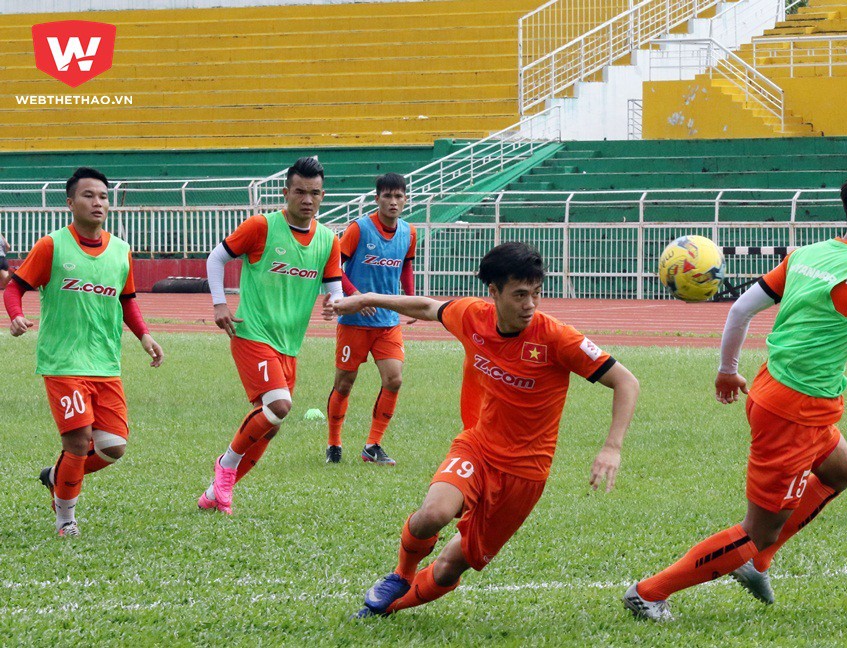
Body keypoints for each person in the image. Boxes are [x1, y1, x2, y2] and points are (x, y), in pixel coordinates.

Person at [624, 173, 847, 621]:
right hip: (794, 414)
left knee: (842, 471)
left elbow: (741, 310)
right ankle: (648, 592)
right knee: (757, 530)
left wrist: (727, 371)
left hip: (779, 393)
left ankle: (757, 563)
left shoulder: (807, 254)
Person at [329, 241, 639, 618]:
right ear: (493, 292)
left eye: (536, 295)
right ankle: (401, 575)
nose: (530, 305)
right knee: (432, 515)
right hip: (477, 446)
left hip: (525, 473)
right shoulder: (472, 316)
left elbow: (627, 382)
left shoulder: (558, 338)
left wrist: (612, 446)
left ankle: (389, 608)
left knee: (448, 567)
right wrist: (365, 299)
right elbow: (427, 307)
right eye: (520, 295)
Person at [4, 167, 163, 537]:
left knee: (113, 447)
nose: (98, 202)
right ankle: (66, 521)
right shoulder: (52, 246)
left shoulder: (121, 250)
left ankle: (56, 477)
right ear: (70, 202)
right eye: (88, 195)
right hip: (63, 362)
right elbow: (15, 288)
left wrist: (144, 336)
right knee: (77, 440)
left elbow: (128, 300)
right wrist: (16, 317)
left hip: (105, 364)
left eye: (103, 196)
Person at [197, 157, 343, 515]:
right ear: (286, 193)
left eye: (314, 193)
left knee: (270, 427)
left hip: (288, 343)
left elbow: (334, 289)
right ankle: (226, 465)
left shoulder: (327, 239)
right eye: (300, 192)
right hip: (251, 331)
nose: (307, 199)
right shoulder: (261, 226)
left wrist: (335, 304)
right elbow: (216, 259)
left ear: (322, 196)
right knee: (279, 408)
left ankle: (215, 495)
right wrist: (219, 304)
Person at [325, 173, 417, 466]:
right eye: (387, 196)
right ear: (376, 199)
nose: (393, 202)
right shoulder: (358, 229)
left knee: (394, 379)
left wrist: (411, 301)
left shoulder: (409, 233)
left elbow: (405, 269)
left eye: (398, 196)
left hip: (387, 321)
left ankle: (373, 445)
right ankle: (334, 444)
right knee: (344, 384)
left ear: (405, 200)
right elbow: (334, 267)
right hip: (354, 322)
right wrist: (356, 297)